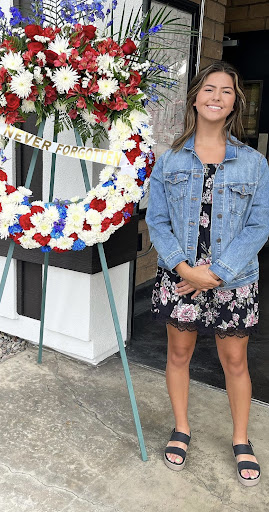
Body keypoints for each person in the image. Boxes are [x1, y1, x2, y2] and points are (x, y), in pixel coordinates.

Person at [146, 61, 269, 487]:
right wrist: (185, 269)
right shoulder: (169, 161)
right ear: (195, 98)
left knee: (235, 360)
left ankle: (240, 438)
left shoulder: (254, 163)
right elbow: (157, 221)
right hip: (179, 277)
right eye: (209, 89)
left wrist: (214, 274)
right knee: (178, 355)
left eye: (227, 91)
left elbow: (259, 225)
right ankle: (181, 428)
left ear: (236, 102)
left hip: (232, 281)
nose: (216, 97)